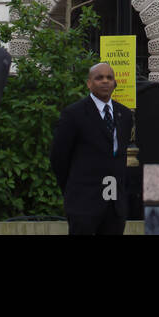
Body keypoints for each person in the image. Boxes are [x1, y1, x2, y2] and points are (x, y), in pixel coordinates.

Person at [49, 62, 132, 235]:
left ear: (115, 83)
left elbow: (119, 156)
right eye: (99, 77)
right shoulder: (73, 114)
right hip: (83, 203)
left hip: (114, 204)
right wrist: (74, 189)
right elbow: (59, 158)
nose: (105, 81)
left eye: (109, 78)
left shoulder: (124, 115)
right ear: (89, 83)